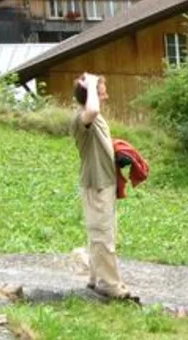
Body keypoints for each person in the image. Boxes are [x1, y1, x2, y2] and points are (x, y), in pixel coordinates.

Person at [71, 73, 135, 301]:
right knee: (102, 236)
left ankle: (96, 277)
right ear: (91, 96)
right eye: (102, 93)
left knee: (104, 233)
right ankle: (109, 285)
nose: (106, 96)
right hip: (96, 185)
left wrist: (115, 154)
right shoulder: (82, 119)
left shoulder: (96, 119)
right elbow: (92, 109)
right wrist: (90, 84)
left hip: (104, 184)